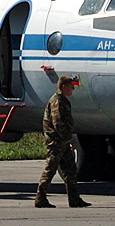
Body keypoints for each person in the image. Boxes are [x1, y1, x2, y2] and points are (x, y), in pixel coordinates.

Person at [36, 76, 89, 208]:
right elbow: (58, 123)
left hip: (62, 142)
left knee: (70, 170)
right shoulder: (57, 102)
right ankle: (40, 198)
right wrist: (69, 139)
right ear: (64, 86)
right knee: (50, 169)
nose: (73, 88)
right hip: (56, 142)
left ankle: (74, 200)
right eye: (71, 86)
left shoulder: (63, 101)